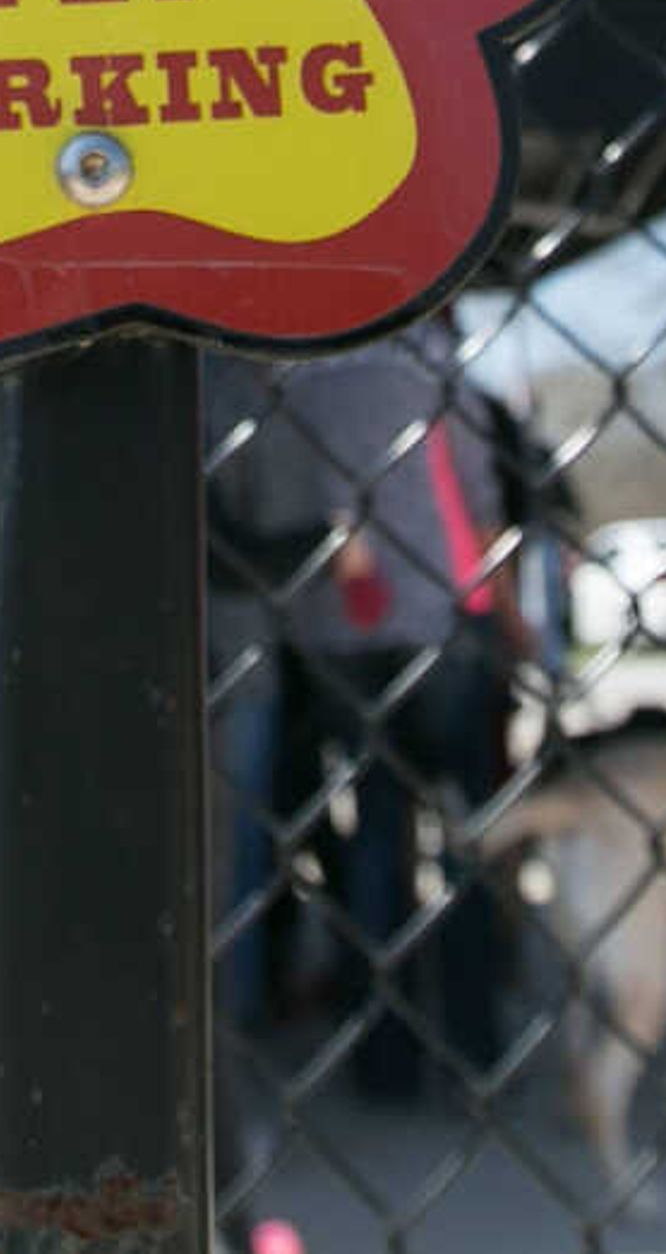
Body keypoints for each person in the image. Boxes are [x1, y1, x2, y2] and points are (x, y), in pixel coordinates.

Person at [229, 325, 523, 1106]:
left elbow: (276, 493)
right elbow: (479, 497)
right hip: (436, 619)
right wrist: (511, 616)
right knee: (461, 834)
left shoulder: (291, 369)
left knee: (373, 838)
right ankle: (474, 1048)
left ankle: (382, 1062)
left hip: (334, 628)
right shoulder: (428, 362)